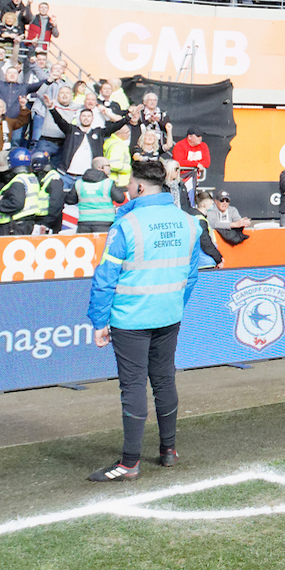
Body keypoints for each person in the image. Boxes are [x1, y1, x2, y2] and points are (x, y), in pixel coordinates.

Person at [87, 174, 213, 481]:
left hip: (130, 318)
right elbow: (192, 274)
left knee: (133, 385)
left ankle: (130, 463)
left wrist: (99, 321)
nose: (127, 189)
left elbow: (105, 278)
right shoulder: (189, 222)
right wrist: (175, 304)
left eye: (130, 184)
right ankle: (168, 450)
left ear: (140, 188)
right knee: (164, 379)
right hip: (168, 314)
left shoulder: (126, 225)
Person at [0, 149, 64, 235]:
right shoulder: (32, 178)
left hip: (19, 225)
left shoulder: (21, 181)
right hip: (31, 222)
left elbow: (17, 203)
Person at [69, 155, 119, 234]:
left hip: (84, 222)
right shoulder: (108, 183)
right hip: (105, 222)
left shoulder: (79, 183)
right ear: (101, 167)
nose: (110, 168)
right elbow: (120, 198)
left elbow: (69, 200)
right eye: (108, 166)